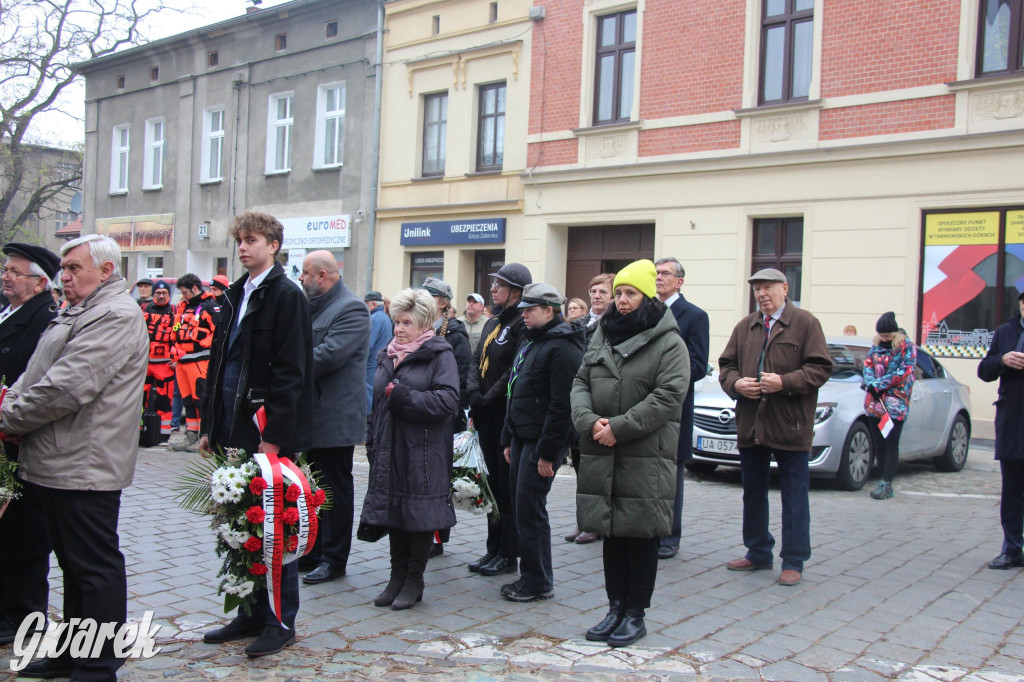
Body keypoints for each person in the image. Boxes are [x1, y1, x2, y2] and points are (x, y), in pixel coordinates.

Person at [0, 234, 148, 680]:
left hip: (86, 461)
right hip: (58, 457)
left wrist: (9, 416)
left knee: (94, 567)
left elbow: (67, 385)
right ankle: (75, 653)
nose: (64, 276)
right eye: (62, 269)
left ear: (105, 271)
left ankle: (98, 665)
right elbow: (37, 372)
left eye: (74, 268)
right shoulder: (81, 308)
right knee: (72, 564)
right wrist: (12, 403)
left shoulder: (114, 314)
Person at [199, 210, 313, 657]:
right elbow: (219, 362)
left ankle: (280, 620)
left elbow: (291, 372)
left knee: (273, 523)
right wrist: (210, 426)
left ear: (273, 245)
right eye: (240, 240)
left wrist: (274, 436)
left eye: (252, 240)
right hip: (231, 423)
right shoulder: (235, 294)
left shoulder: (286, 295)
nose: (243, 247)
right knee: (238, 520)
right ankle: (248, 612)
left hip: (264, 429)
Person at [570, 259, 689, 647]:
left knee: (639, 536)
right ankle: (614, 607)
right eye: (618, 293)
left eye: (630, 293)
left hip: (644, 454)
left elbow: (668, 397)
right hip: (603, 448)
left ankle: (635, 613)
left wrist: (617, 428)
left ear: (647, 296)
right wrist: (590, 422)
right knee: (612, 533)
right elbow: (581, 382)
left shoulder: (669, 341)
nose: (621, 300)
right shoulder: (602, 335)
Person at [719, 268, 832, 587]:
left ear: (785, 288)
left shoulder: (806, 323)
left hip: (790, 424)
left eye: (768, 288)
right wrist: (737, 384)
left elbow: (820, 368)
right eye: (757, 289)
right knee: (753, 492)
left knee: (794, 496)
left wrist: (785, 382)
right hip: (752, 423)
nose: (761, 294)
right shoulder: (746, 326)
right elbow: (726, 365)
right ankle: (758, 551)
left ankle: (794, 559)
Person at [361, 288, 459, 610]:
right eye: (397, 322)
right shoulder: (387, 354)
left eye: (406, 323)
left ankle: (414, 580)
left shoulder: (439, 355)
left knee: (417, 514)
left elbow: (448, 401)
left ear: (424, 324)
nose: (399, 329)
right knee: (394, 513)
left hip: (423, 452)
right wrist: (372, 439)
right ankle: (396, 577)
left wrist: (403, 397)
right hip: (390, 448)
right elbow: (377, 402)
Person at [499, 283, 585, 602]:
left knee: (530, 508)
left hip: (541, 443)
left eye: (530, 310)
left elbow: (562, 406)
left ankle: (537, 582)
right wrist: (509, 436)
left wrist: (549, 453)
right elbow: (516, 389)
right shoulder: (533, 341)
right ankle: (532, 575)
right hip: (522, 438)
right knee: (522, 507)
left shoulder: (563, 347)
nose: (524, 315)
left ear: (549, 311)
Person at [297, 251, 371, 585]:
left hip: (335, 416)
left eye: (304, 273)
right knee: (312, 488)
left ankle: (334, 559)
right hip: (312, 414)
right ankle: (314, 551)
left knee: (333, 490)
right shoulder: (313, 306)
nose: (301, 279)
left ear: (322, 275)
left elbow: (328, 356)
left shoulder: (351, 308)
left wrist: (285, 365)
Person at [0, 243, 59, 646]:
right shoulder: (9, 312)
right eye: (5, 270)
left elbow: (36, 381)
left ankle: (25, 615)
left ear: (40, 282)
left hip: (21, 440)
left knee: (24, 533)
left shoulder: (44, 320)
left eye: (14, 272)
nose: (6, 276)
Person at [465, 263, 532, 577]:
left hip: (502, 417)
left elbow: (511, 372)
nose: (493, 289)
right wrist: (472, 393)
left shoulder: (521, 323)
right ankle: (493, 549)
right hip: (483, 415)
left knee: (504, 487)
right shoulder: (494, 321)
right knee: (489, 485)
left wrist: (486, 399)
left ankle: (508, 553)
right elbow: (476, 359)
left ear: (516, 292)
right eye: (493, 284)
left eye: (500, 285)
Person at [654, 257, 709, 560]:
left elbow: (698, 365)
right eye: (656, 273)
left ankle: (669, 536)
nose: (659, 278)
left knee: (671, 472)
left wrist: (664, 372)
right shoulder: (646, 311)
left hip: (675, 406)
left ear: (679, 282)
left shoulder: (694, 316)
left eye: (665, 274)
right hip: (642, 402)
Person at [979, 289, 1024, 570]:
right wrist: (1002, 360)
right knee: (1012, 490)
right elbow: (984, 370)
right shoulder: (1005, 332)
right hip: (1013, 421)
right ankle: (1012, 548)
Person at [862, 312, 916, 500]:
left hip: (895, 404)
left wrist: (879, 384)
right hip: (874, 403)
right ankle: (881, 479)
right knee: (878, 444)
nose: (884, 338)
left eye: (887, 335)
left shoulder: (906, 347)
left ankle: (887, 482)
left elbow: (905, 371)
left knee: (891, 444)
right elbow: (868, 364)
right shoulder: (876, 346)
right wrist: (870, 382)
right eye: (881, 335)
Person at [171, 273, 220, 452]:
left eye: (185, 292)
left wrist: (200, 344)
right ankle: (191, 434)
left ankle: (204, 436)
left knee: (201, 400)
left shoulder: (210, 306)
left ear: (195, 288)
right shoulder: (182, 307)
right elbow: (175, 331)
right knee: (188, 401)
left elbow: (218, 332)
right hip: (182, 361)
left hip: (200, 360)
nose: (183, 296)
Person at [141, 281, 177, 442]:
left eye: (164, 293)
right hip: (145, 363)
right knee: (140, 399)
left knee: (164, 400)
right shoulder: (145, 309)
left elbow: (179, 338)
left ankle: (163, 435)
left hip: (165, 364)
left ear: (169, 295)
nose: (161, 296)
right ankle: (140, 431)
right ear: (153, 294)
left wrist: (176, 359)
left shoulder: (174, 311)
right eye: (158, 293)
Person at [584, 273, 615, 345]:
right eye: (593, 291)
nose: (596, 296)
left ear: (613, 297)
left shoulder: (615, 325)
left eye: (603, 292)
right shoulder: (576, 323)